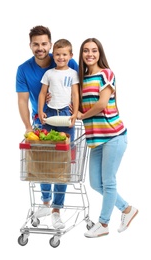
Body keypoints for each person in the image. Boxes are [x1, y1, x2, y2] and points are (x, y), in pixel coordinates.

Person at [16, 25, 78, 229]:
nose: (40, 48)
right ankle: (44, 203)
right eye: (36, 44)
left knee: (61, 164)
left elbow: (79, 88)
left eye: (44, 43)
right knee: (43, 163)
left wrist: (74, 107)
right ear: (30, 45)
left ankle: (56, 209)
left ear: (50, 44)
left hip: (64, 119)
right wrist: (27, 127)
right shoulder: (24, 69)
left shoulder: (63, 58)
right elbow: (23, 100)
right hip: (41, 121)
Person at [77, 38, 138, 238]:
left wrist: (82, 115)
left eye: (94, 50)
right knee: (96, 183)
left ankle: (103, 223)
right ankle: (127, 210)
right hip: (96, 141)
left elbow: (102, 104)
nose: (90, 54)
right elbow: (78, 107)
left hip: (114, 136)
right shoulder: (82, 79)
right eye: (86, 51)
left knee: (109, 182)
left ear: (99, 53)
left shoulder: (106, 74)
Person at [38, 38, 79, 141]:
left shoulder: (73, 73)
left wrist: (74, 113)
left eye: (64, 54)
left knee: (67, 143)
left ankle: (67, 157)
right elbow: (42, 93)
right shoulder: (49, 73)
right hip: (49, 112)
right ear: (53, 55)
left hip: (66, 112)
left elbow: (75, 94)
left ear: (71, 56)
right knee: (47, 143)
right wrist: (40, 111)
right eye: (57, 54)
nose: (61, 57)